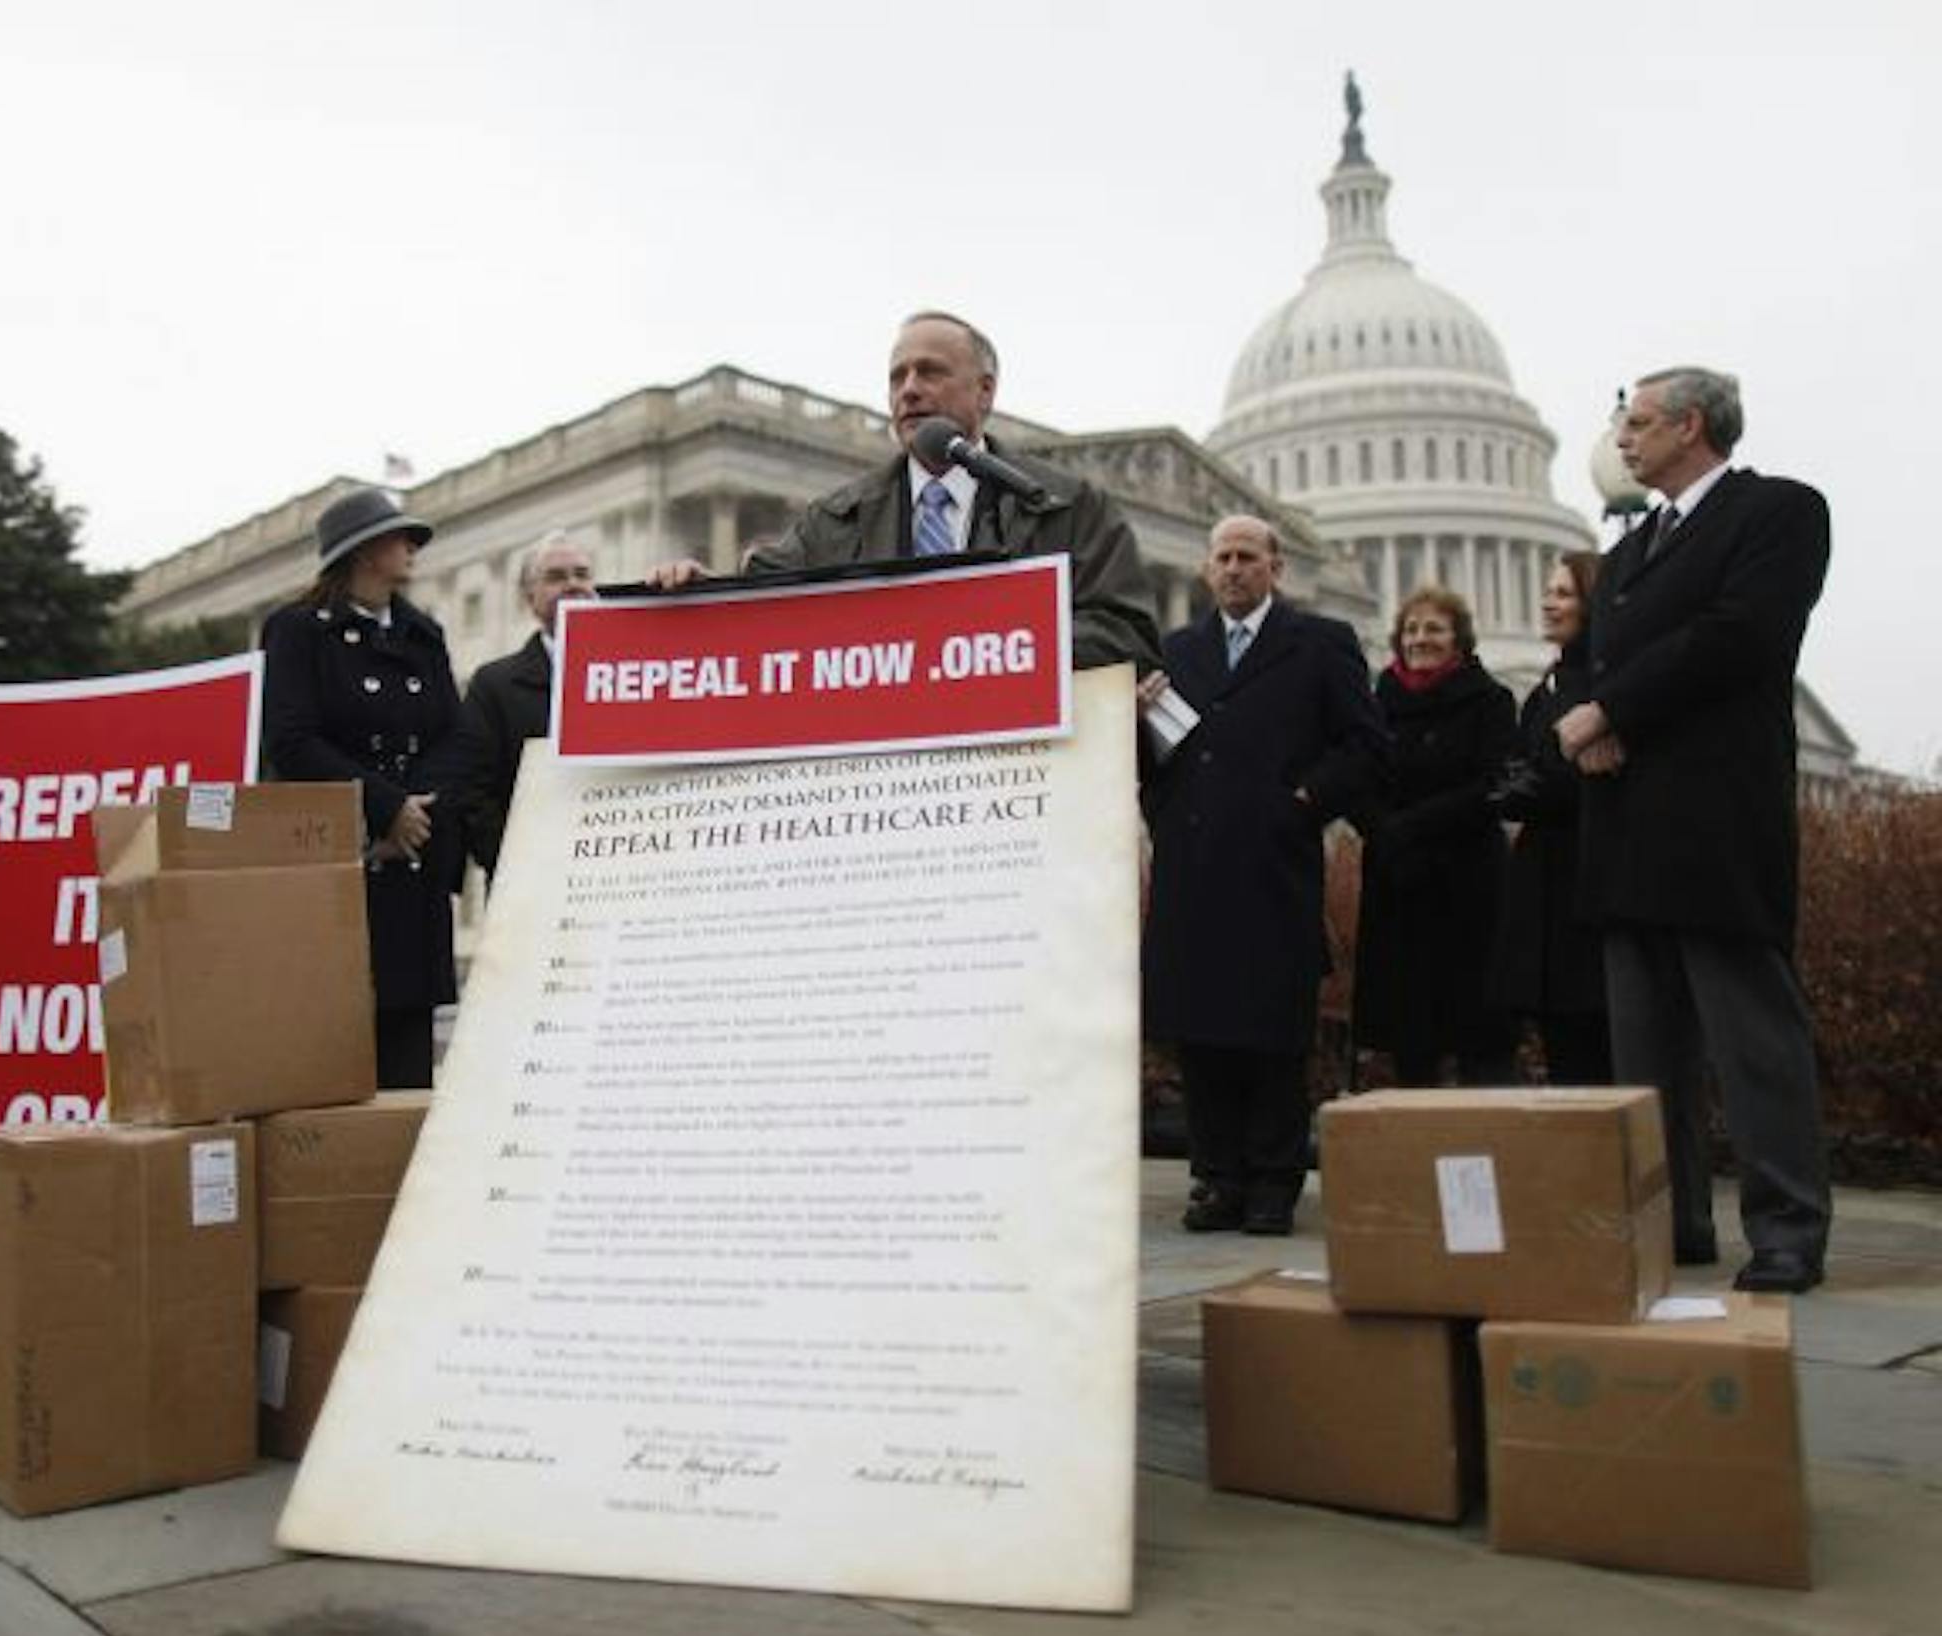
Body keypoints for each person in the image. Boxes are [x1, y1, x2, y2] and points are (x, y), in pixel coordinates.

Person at [1556, 366, 1831, 1293]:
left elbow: (1741, 635)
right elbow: (1600, 661)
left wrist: (1609, 711)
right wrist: (1597, 719)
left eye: (1636, 423)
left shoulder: (1780, 512)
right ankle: (1673, 1225)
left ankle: (1787, 1225)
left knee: (1753, 1040)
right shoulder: (1629, 556)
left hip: (1716, 820)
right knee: (1647, 1053)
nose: (1623, 440)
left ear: (1689, 425)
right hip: (1628, 823)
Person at [650, 310, 1162, 674]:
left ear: (985, 391)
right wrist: (698, 594)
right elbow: (761, 620)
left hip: (1020, 784)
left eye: (931, 372)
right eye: (898, 377)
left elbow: (1127, 635)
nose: (909, 389)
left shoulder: (1066, 505)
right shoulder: (833, 522)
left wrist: (991, 648)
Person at [1138, 516, 1388, 1235]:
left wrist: (1303, 801)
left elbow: (1366, 746)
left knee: (1272, 1032)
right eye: (1223, 558)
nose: (1235, 569)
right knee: (1201, 1031)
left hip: (1273, 865)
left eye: (1249, 557)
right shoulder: (1177, 651)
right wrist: (1159, 793)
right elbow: (1156, 758)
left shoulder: (1319, 645)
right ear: (1206, 570)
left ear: (1276, 567)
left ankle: (1275, 1179)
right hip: (1194, 867)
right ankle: (1216, 1176)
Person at [261, 486, 462, 1089]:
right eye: (400, 537)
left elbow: (453, 735)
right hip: (341, 868)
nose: (411, 548)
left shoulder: (423, 635)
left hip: (414, 870)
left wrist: (417, 814)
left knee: (407, 1068)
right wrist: (384, 807)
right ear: (364, 551)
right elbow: (290, 740)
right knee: (333, 1060)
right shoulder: (298, 631)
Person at [1351, 586, 1516, 1086]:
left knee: (1476, 1034)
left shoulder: (1490, 699)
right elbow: (1357, 776)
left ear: (1459, 640)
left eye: (1434, 629)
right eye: (1412, 629)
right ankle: (1416, 1149)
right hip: (1398, 884)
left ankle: (1480, 1150)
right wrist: (1383, 830)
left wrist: (1410, 827)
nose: (1421, 639)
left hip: (1466, 885)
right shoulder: (1376, 701)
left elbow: (1493, 784)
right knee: (1408, 1034)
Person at [1488, 550, 1613, 1083]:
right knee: (1563, 1044)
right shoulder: (1548, 689)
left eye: (1563, 594)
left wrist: (1534, 780)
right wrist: (1539, 777)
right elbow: (1509, 782)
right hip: (1543, 884)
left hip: (1586, 880)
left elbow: (1555, 783)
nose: (1547, 603)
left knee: (1597, 1044)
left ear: (1592, 604)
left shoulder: (1603, 686)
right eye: (1548, 592)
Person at [448, 532, 596, 878]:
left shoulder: (631, 671)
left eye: (582, 574)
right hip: (527, 883)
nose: (573, 585)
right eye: (556, 577)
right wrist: (517, 867)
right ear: (530, 598)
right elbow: (471, 794)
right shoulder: (493, 685)